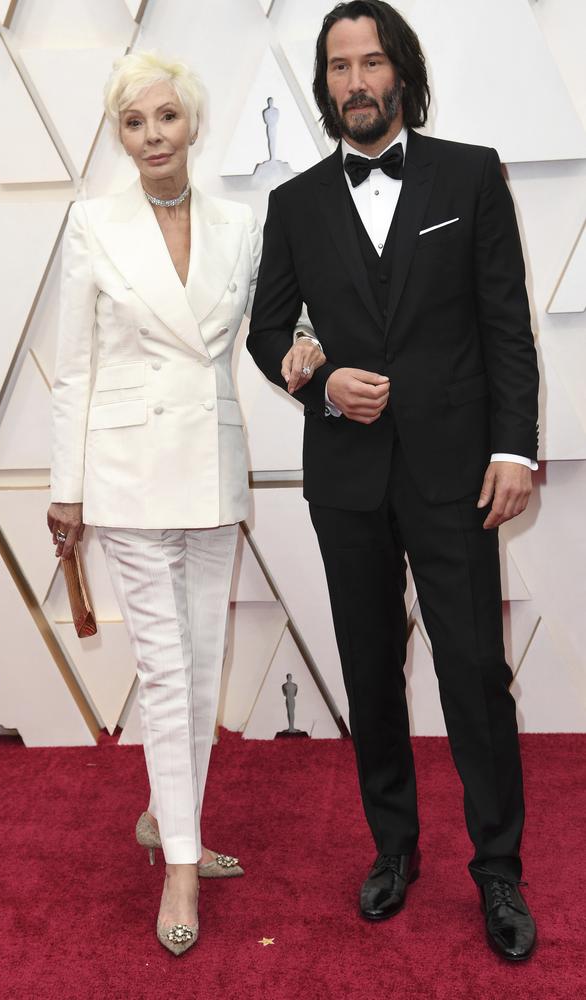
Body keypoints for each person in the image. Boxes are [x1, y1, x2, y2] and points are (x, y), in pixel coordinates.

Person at [248, 1, 539, 962]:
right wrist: (323, 383)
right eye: (339, 67)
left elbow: (505, 326)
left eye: (372, 62)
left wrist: (515, 450)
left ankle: (498, 870)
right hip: (347, 482)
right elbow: (268, 332)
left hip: (461, 475)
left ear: (401, 72)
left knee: (475, 678)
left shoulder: (470, 171)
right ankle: (393, 848)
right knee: (372, 678)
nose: (357, 82)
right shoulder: (294, 203)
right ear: (325, 85)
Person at [47, 51, 310, 956]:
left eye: (165, 118)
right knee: (163, 673)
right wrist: (65, 491)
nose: (152, 136)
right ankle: (184, 868)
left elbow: (275, 325)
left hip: (211, 464)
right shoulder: (92, 224)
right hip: (124, 473)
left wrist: (309, 349)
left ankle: (169, 821)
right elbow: (73, 367)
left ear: (192, 125)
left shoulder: (243, 224)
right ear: (118, 137)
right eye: (133, 123)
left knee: (202, 663)